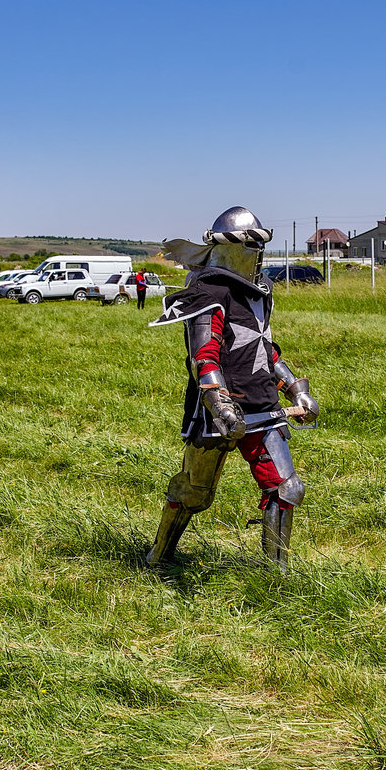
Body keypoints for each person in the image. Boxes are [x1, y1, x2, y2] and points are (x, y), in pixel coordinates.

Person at [146, 206, 318, 571]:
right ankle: (158, 557)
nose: (258, 253)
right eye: (253, 245)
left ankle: (276, 574)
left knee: (287, 489)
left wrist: (294, 388)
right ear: (234, 247)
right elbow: (203, 358)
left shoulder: (258, 292)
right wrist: (221, 406)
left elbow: (264, 348)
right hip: (218, 413)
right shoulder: (208, 291)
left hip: (263, 405)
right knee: (194, 494)